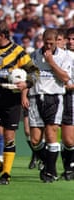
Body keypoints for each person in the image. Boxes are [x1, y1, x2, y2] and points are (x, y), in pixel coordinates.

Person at [0, 20, 38, 185]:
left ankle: (5, 173)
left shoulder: (19, 52)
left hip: (11, 99)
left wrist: (26, 83)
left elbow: (34, 72)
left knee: (8, 136)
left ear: (3, 35)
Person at [29, 28, 70, 183]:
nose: (48, 46)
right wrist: (23, 91)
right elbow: (30, 76)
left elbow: (65, 77)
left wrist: (52, 62)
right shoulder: (35, 55)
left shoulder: (64, 56)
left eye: (51, 43)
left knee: (52, 134)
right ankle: (47, 163)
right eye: (46, 43)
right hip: (35, 97)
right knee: (35, 140)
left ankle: (51, 172)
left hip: (54, 97)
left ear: (56, 41)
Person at [61, 27, 74, 180]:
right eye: (69, 39)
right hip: (66, 97)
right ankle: (68, 166)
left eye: (73, 39)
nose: (71, 42)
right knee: (67, 139)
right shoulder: (63, 56)